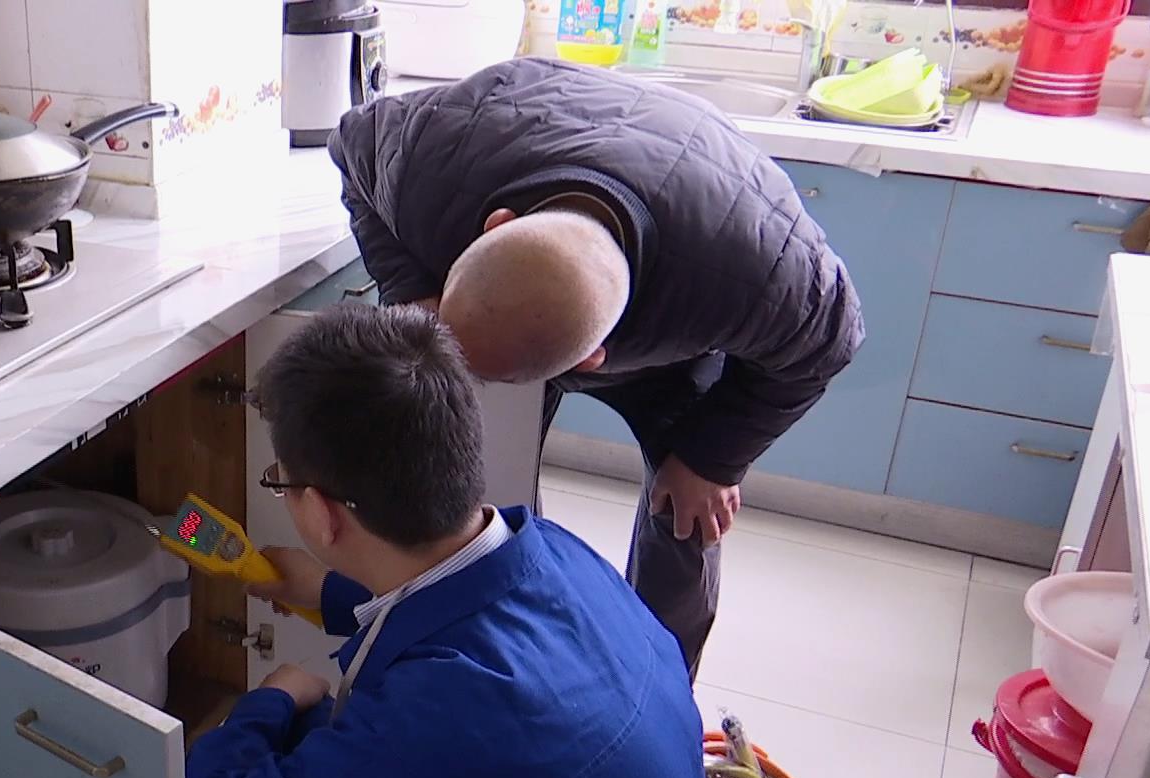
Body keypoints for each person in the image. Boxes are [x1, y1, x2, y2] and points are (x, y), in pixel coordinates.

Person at [187, 304, 710, 778]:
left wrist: (268, 701)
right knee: (319, 770)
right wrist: (329, 593)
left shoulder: (443, 723)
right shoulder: (555, 550)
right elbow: (456, 600)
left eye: (284, 485)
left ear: (322, 515)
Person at [328, 58, 865, 674]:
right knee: (463, 463)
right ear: (495, 226)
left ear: (592, 360)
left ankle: (660, 681)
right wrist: (415, 294)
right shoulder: (429, 163)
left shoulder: (765, 278)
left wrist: (712, 459)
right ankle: (489, 650)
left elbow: (829, 345)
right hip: (524, 132)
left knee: (689, 513)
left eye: (494, 376)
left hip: (683, 279)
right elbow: (351, 144)